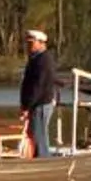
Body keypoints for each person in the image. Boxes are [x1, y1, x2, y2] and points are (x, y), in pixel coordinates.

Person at [18, 27, 57, 157]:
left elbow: (38, 86)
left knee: (39, 136)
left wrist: (27, 106)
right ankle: (37, 159)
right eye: (27, 43)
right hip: (35, 104)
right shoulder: (34, 59)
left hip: (41, 104)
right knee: (34, 135)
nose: (28, 46)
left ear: (41, 43)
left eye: (31, 43)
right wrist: (24, 105)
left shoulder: (44, 60)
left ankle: (43, 161)